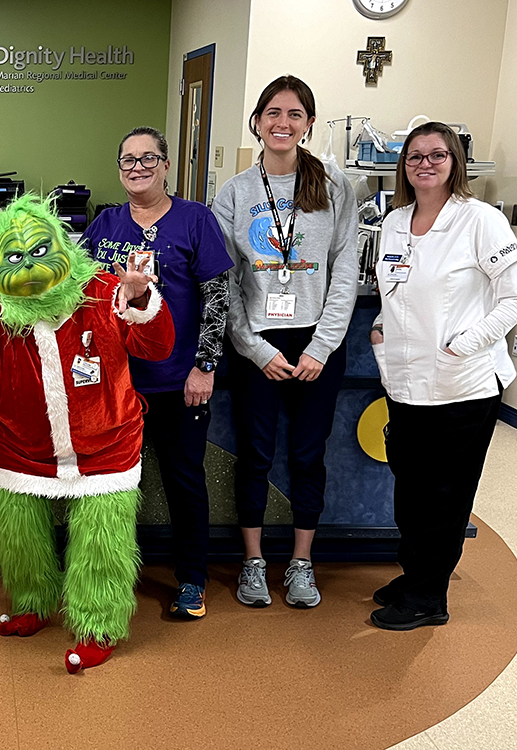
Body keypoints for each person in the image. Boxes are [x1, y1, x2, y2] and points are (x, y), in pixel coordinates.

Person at [0, 194, 176, 673]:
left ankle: (99, 625)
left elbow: (157, 347)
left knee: (102, 544)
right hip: (19, 448)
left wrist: (141, 299)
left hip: (107, 446)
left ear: (63, 246)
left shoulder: (103, 292)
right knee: (19, 536)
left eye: (41, 250)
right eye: (15, 258)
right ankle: (32, 603)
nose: (30, 265)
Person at [212, 76, 358, 608]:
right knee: (254, 455)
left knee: (307, 455)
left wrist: (321, 348)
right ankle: (253, 563)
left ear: (309, 125)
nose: (283, 123)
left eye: (295, 114)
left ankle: (301, 564)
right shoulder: (234, 193)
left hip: (318, 342)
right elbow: (223, 281)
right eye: (273, 112)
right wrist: (254, 348)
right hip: (258, 345)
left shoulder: (335, 187)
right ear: (257, 121)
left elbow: (343, 272)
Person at [369, 122, 517, 630]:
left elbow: (512, 297)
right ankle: (416, 575)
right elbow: (398, 292)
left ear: (456, 161)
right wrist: (382, 325)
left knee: (444, 495)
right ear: (403, 165)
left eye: (437, 155)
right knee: (410, 489)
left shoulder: (480, 221)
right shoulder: (395, 221)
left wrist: (465, 344)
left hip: (464, 384)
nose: (425, 164)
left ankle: (429, 596)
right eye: (415, 156)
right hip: (408, 384)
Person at [81, 126, 233, 620]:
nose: (138, 167)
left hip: (177, 381)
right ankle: (109, 574)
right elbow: (76, 292)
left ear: (166, 166)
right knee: (113, 487)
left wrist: (204, 367)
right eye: (128, 160)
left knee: (183, 481)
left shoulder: (195, 220)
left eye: (149, 158)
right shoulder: (105, 224)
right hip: (116, 386)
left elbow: (217, 298)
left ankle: (191, 579)